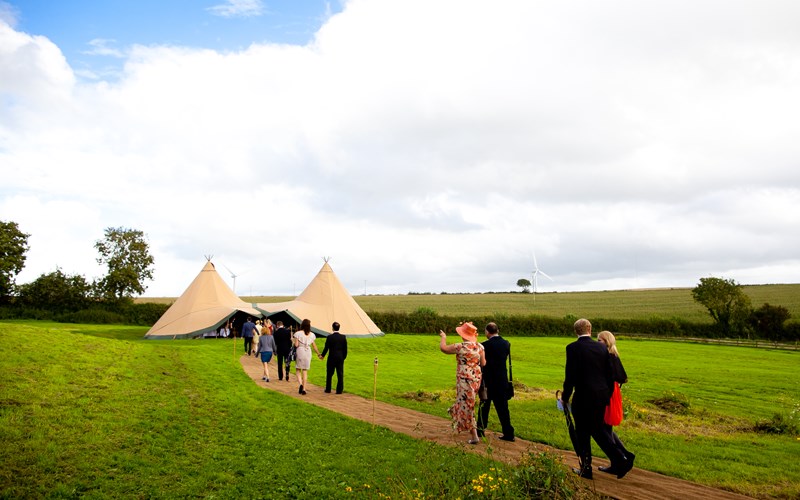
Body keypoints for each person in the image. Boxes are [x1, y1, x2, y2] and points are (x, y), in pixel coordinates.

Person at [560, 318, 632, 480]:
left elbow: (570, 376)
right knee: (598, 430)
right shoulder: (601, 348)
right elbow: (609, 374)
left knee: (583, 433)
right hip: (601, 396)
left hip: (583, 396)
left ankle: (588, 468)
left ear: (575, 331)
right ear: (590, 330)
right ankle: (621, 459)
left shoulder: (572, 348)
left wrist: (565, 396)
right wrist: (606, 395)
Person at [439, 321, 486, 445]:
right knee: (466, 402)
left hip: (464, 379)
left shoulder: (460, 347)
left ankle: (474, 434)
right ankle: (456, 412)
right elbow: (484, 363)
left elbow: (443, 349)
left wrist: (443, 338)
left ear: (463, 334)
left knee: (467, 405)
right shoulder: (480, 347)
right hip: (476, 378)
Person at [597, 330, 635, 474]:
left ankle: (622, 458)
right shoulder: (614, 355)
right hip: (612, 392)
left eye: (599, 340)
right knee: (607, 429)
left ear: (606, 342)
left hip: (608, 393)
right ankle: (622, 457)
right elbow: (623, 377)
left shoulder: (608, 356)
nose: (597, 342)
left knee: (603, 428)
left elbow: (617, 376)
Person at [477, 322, 515, 442]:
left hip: (487, 381)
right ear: (497, 330)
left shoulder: (484, 346)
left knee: (484, 407)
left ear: (487, 331)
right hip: (502, 381)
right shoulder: (506, 344)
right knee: (503, 409)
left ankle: (480, 430)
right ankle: (508, 433)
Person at [293, 318, 321, 395]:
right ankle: (304, 388)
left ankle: (300, 384)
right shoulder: (312, 335)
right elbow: (314, 346)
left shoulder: (298, 333)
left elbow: (296, 345)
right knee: (305, 371)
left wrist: (292, 341)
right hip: (308, 351)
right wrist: (318, 354)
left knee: (298, 369)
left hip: (300, 351)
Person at [319, 321, 348, 394]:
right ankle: (339, 390)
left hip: (331, 357)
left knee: (329, 373)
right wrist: (343, 357)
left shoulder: (329, 337)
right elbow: (345, 349)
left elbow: (326, 348)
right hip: (340, 358)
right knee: (340, 374)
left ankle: (328, 389)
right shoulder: (343, 337)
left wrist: (322, 355)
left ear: (332, 328)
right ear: (339, 328)